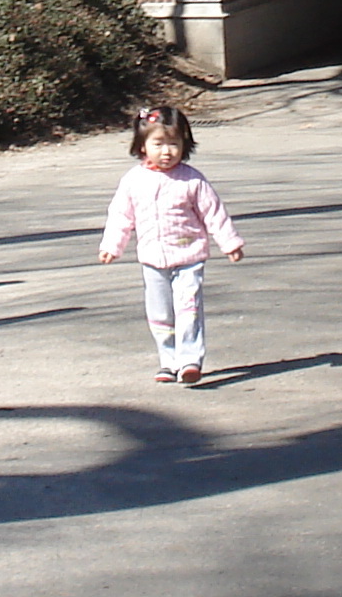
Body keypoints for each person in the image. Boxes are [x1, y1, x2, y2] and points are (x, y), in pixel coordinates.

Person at [97, 106, 243, 387]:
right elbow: (120, 217)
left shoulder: (192, 180)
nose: (167, 152)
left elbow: (214, 213)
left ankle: (190, 361)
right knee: (160, 313)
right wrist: (112, 245)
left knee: (188, 309)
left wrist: (229, 242)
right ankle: (168, 360)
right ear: (142, 146)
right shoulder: (133, 181)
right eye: (158, 144)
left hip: (189, 257)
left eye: (174, 144)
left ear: (184, 146)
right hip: (152, 260)